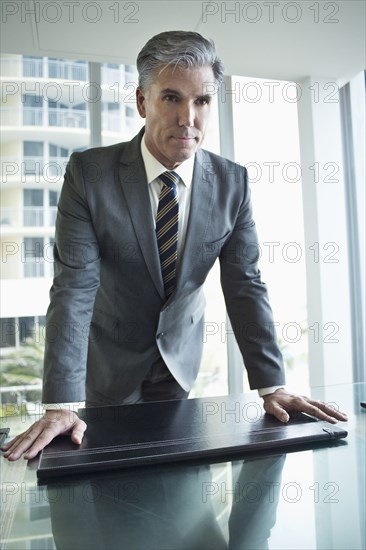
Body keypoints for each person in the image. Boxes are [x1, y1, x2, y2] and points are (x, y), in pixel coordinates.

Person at [2, 31, 347, 461]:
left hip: (180, 362)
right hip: (107, 366)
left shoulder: (231, 184)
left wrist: (271, 385)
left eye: (202, 100)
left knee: (169, 486)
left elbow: (246, 285)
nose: (188, 117)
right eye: (171, 98)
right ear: (142, 102)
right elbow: (73, 289)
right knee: (107, 490)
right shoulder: (90, 175)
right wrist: (60, 404)